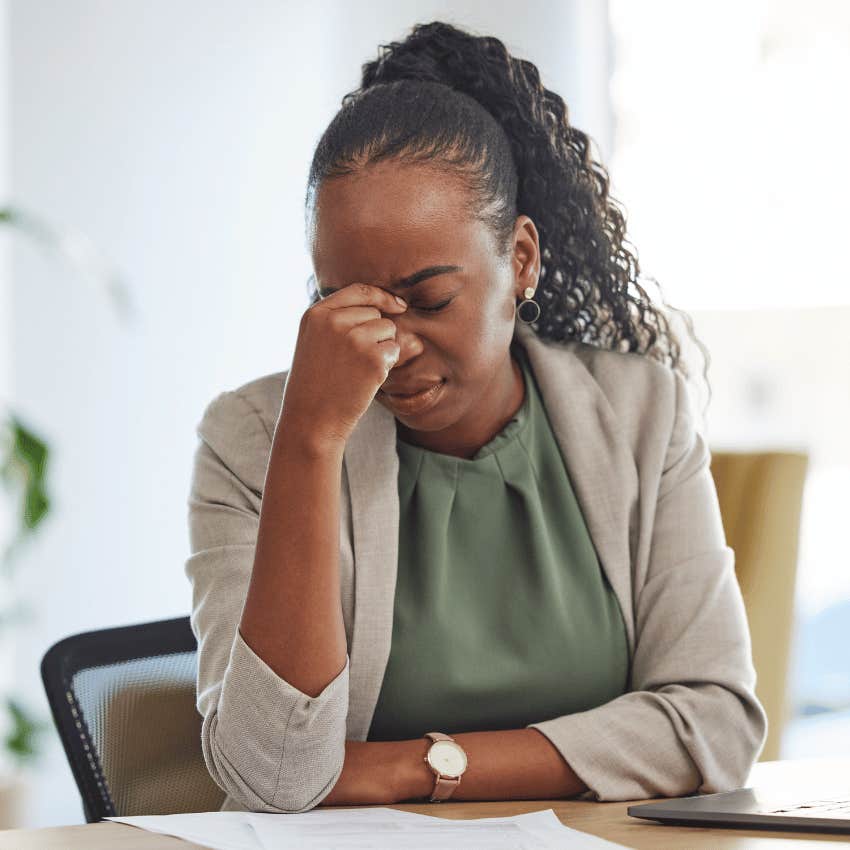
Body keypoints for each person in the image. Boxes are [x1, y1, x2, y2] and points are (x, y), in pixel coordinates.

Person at [185, 21, 766, 815]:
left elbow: (716, 723)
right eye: (345, 306)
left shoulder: (640, 416)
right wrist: (310, 444)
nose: (391, 349)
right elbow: (275, 776)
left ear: (519, 259)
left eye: (430, 300)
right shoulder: (252, 439)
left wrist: (415, 768)